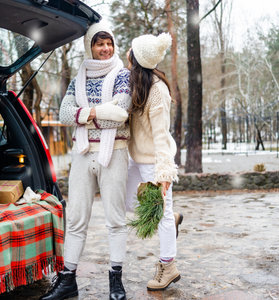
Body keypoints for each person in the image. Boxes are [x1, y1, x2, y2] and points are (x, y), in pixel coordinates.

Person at [40, 22, 131, 300]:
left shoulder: (123, 75)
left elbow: (121, 112)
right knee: (77, 219)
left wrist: (84, 113)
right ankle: (68, 280)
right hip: (81, 154)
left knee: (115, 219)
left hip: (113, 152)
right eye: (99, 43)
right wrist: (95, 112)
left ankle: (116, 280)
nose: (105, 49)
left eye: (109, 43)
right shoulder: (79, 76)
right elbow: (64, 114)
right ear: (89, 46)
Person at [125, 32, 181, 291]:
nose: (126, 52)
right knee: (125, 200)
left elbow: (161, 136)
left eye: (130, 50)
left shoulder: (157, 91)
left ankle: (168, 266)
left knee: (164, 216)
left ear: (136, 58)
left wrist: (164, 174)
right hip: (136, 159)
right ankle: (169, 216)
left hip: (154, 161)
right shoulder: (137, 83)